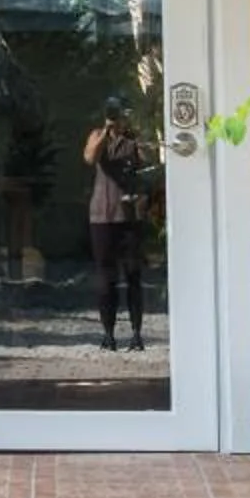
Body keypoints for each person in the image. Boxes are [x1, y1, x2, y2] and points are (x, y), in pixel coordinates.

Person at [83, 96, 152, 351]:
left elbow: (148, 161)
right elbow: (90, 157)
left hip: (129, 214)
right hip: (102, 215)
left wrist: (136, 138)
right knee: (105, 276)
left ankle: (136, 333)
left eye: (121, 114)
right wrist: (107, 130)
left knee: (133, 275)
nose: (118, 119)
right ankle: (108, 334)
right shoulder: (97, 135)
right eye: (114, 114)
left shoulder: (133, 139)